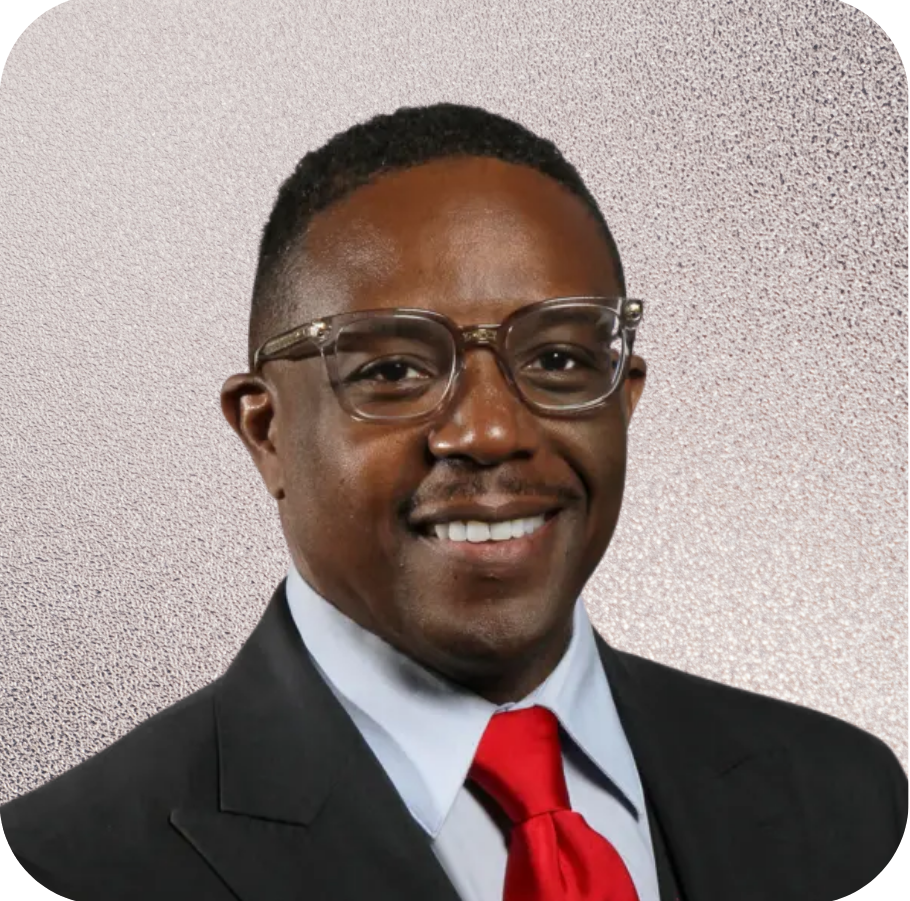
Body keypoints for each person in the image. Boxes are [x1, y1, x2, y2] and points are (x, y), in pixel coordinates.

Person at [1, 102, 905, 901]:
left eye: (557, 359)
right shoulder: (66, 865)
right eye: (392, 369)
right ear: (265, 431)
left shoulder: (857, 803)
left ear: (623, 396)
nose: (487, 432)